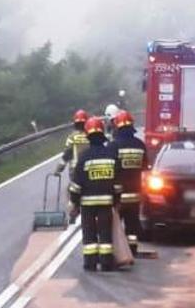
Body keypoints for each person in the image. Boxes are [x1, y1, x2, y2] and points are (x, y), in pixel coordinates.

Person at [69, 117, 120, 272]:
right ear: (102, 134)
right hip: (106, 202)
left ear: (88, 136)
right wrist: (116, 201)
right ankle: (106, 263)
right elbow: (117, 184)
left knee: (89, 233)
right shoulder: (110, 155)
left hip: (88, 204)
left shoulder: (84, 157)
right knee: (105, 233)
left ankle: (90, 263)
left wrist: (75, 204)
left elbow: (76, 186)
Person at [109, 110, 148, 260]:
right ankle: (132, 249)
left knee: (114, 226)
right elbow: (145, 168)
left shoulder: (113, 146)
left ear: (117, 127)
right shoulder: (140, 145)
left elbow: (110, 169)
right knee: (132, 225)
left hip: (118, 196)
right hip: (135, 195)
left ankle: (116, 253)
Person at [55, 109, 91, 221]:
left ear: (75, 123)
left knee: (72, 190)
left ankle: (73, 211)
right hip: (89, 168)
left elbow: (67, 154)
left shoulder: (72, 137)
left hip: (75, 170)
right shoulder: (91, 136)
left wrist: (59, 168)